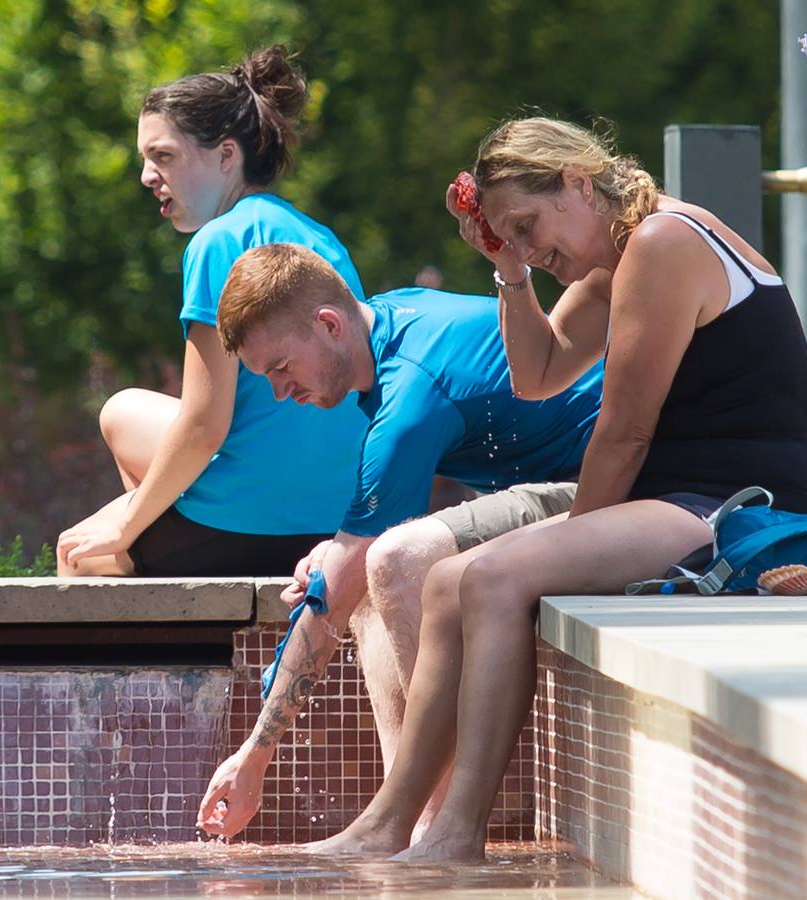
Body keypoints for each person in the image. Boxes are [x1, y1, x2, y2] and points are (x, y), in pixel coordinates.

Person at [305, 115, 807, 862]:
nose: (527, 246)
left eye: (527, 226)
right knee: (446, 583)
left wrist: (562, 540)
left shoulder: (661, 242)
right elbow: (537, 374)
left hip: (736, 507)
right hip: (676, 493)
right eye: (509, 235)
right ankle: (387, 822)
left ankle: (457, 833)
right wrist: (509, 274)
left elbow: (624, 433)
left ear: (578, 183)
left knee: (489, 579)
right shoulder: (615, 259)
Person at [195, 241, 605, 838]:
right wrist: (341, 553)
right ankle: (405, 814)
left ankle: (443, 824)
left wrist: (253, 757)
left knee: (392, 557)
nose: (281, 392)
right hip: (571, 488)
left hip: (616, 493)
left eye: (281, 369)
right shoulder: (391, 321)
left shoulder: (411, 388)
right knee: (363, 570)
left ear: (329, 324)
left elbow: (335, 589)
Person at [56, 46, 368, 578]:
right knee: (124, 413)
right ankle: (170, 548)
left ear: (227, 156)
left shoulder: (219, 242)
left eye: (164, 156)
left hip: (259, 524)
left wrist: (126, 529)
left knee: (80, 557)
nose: (147, 176)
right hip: (338, 517)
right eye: (145, 160)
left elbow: (204, 425)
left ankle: (168, 592)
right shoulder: (320, 238)